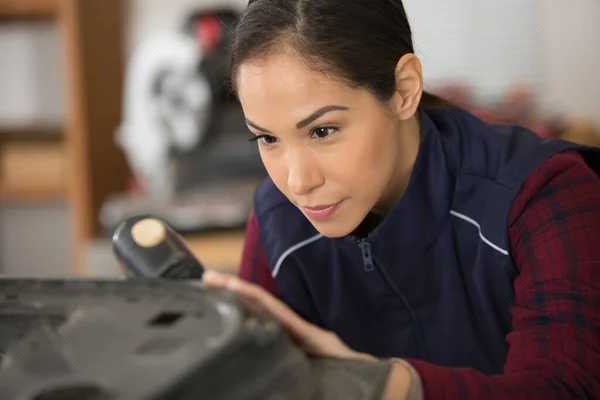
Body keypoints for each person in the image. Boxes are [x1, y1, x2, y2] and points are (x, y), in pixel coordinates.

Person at [202, 0, 600, 398]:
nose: (298, 182)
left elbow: (564, 389)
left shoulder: (547, 193)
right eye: (267, 138)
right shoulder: (277, 217)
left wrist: (383, 386)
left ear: (404, 90)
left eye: (323, 131)